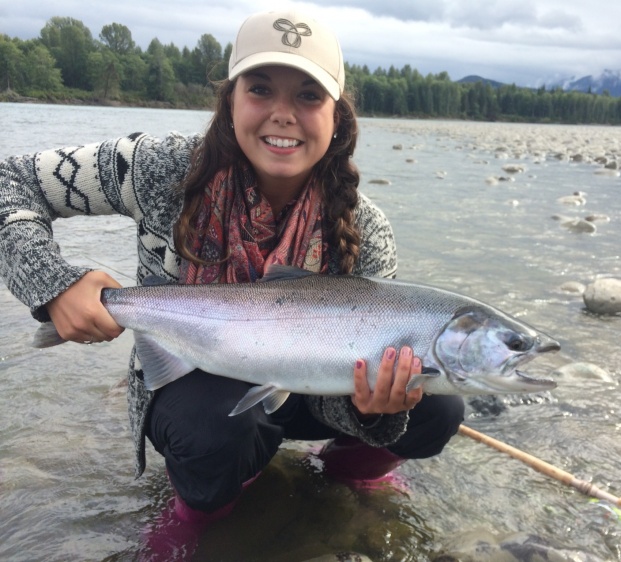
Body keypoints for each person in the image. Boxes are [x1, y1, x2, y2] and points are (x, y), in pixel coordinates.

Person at [0, 8, 464, 540]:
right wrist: (53, 283)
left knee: (438, 404)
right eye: (261, 89)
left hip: (310, 387)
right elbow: (9, 179)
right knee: (219, 430)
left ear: (338, 117)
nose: (283, 114)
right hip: (194, 382)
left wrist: (372, 410)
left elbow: (350, 381)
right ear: (231, 101)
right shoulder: (157, 168)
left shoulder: (364, 228)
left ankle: (347, 472)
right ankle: (199, 515)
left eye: (309, 95)